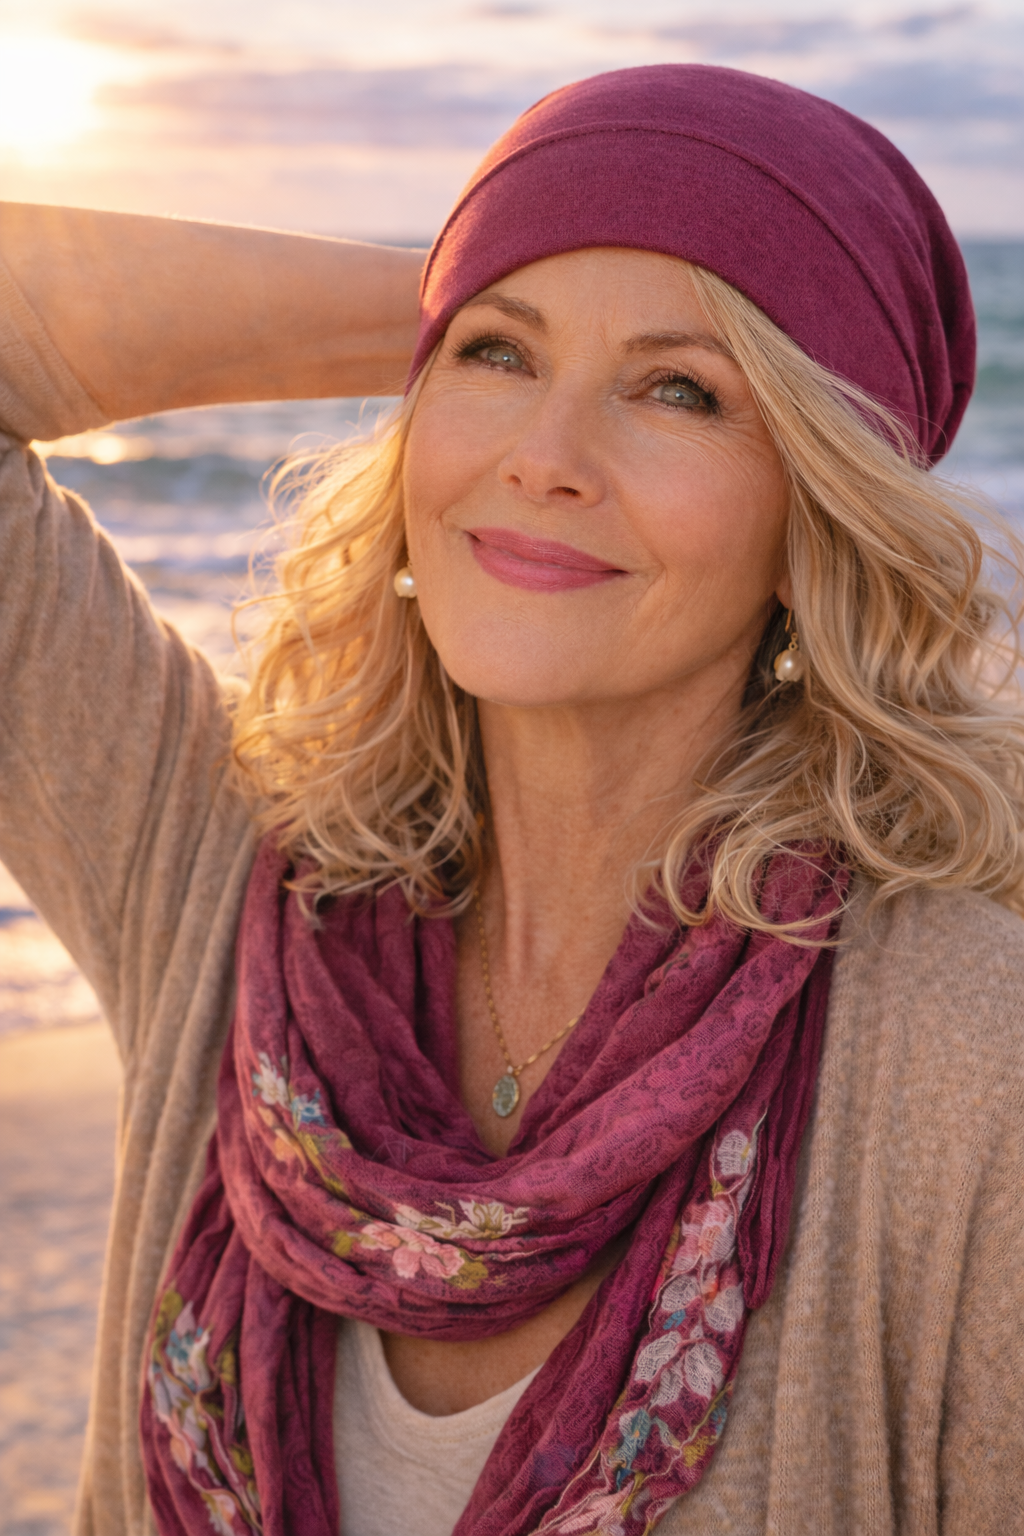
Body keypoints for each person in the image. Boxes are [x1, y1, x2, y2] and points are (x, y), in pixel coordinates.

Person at [0, 62, 1021, 1536]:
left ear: (820, 508)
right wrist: (504, 259)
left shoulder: (967, 1058)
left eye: (682, 390)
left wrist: (563, 278)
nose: (545, 457)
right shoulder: (218, 869)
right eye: (494, 360)